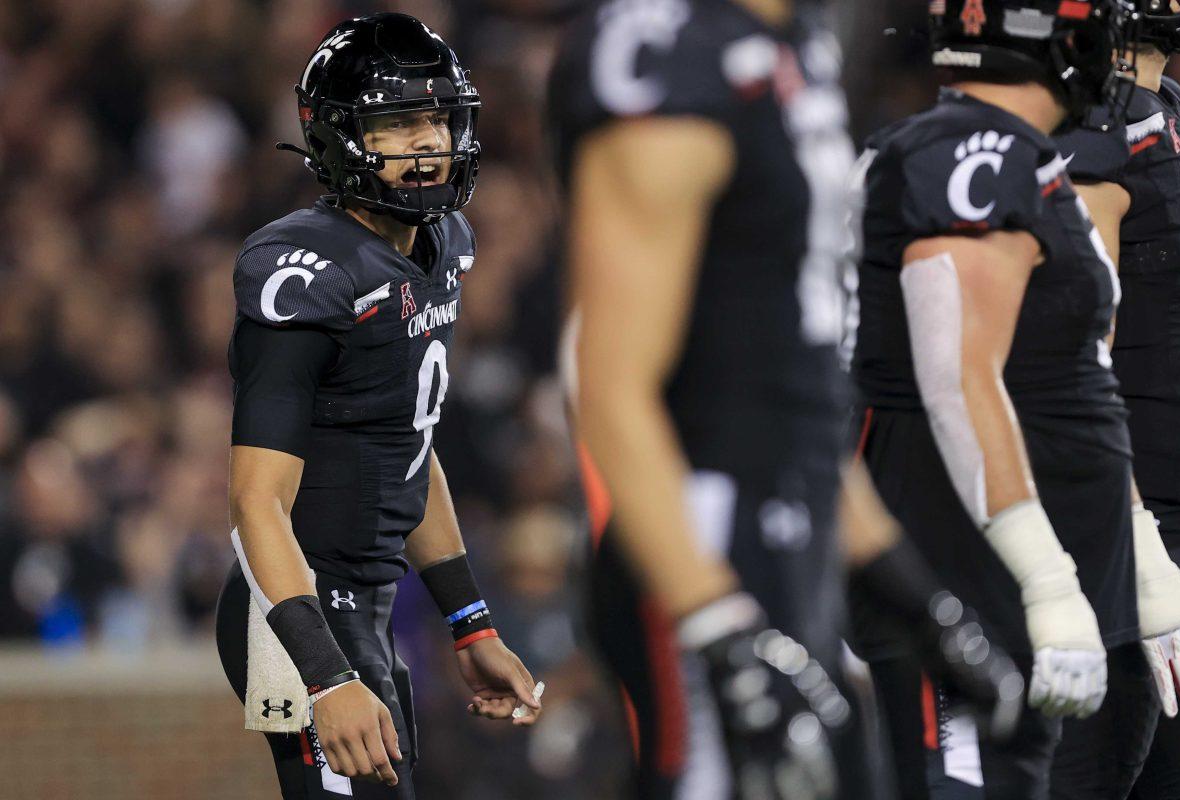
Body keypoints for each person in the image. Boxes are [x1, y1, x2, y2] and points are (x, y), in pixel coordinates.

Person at [550, 0, 1021, 797]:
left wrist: (915, 596)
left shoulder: (788, 44)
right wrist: (716, 627)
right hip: (698, 541)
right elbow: (608, 385)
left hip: (788, 533)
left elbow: (783, 388)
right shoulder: (671, 57)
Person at [848, 0, 1180, 797]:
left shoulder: (1008, 153)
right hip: (965, 563)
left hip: (998, 559)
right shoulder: (974, 155)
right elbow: (959, 378)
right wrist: (1046, 576)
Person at [213, 14, 542, 799]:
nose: (427, 139)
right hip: (298, 610)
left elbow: (410, 448)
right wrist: (324, 677)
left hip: (369, 605)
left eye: (436, 116)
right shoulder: (305, 270)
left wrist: (472, 623)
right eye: (398, 122)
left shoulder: (443, 242)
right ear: (338, 135)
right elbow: (256, 502)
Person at [1055, 3, 1180, 797]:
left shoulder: (1174, 107)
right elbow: (1075, 366)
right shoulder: (1092, 137)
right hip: (1138, 542)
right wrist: (1144, 556)